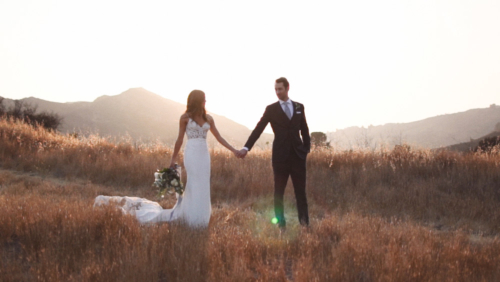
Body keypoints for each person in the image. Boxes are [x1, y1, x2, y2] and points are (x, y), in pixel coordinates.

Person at [94, 90, 239, 228]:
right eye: (203, 99)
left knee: (203, 184)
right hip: (192, 154)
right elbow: (179, 140)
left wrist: (235, 151)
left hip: (204, 155)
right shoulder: (185, 118)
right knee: (194, 183)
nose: (205, 101)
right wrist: (172, 160)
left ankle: (202, 218)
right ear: (197, 101)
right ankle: (191, 217)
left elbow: (219, 137)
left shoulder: (209, 119)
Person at [237, 77, 311, 229]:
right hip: (280, 158)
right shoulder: (271, 109)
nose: (277, 92)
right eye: (275, 89)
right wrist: (246, 148)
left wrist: (305, 149)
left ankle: (305, 225)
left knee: (300, 194)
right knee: (278, 194)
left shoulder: (299, 107)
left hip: (298, 157)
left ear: (287, 88)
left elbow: (304, 130)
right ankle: (281, 226)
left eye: (280, 89)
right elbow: (258, 129)